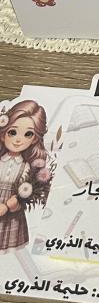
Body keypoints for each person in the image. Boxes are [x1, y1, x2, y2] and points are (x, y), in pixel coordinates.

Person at [0, 100, 51, 253]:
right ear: (3, 133)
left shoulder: (26, 167)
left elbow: (26, 193)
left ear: (34, 138)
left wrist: (10, 205)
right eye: (12, 132)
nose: (18, 140)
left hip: (10, 217)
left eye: (28, 134)